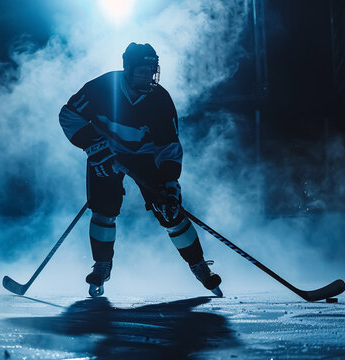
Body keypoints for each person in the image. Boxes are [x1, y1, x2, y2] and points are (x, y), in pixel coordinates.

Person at [58, 42, 222, 297]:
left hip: (145, 157)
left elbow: (168, 146)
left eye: (151, 70)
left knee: (170, 211)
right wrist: (95, 147)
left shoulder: (160, 99)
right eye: (142, 71)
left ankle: (198, 265)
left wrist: (169, 182)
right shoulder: (102, 87)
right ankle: (102, 266)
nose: (148, 76)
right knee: (103, 210)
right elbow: (68, 114)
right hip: (106, 154)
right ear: (127, 69)